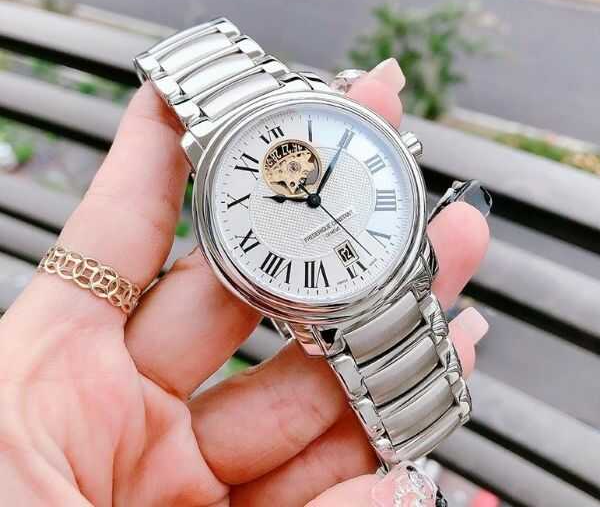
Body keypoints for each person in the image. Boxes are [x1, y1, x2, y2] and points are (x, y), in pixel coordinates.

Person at [0, 59, 489, 506]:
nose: (305, 190)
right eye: (289, 184)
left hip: (397, 272)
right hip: (331, 311)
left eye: (306, 174)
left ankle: (419, 423)